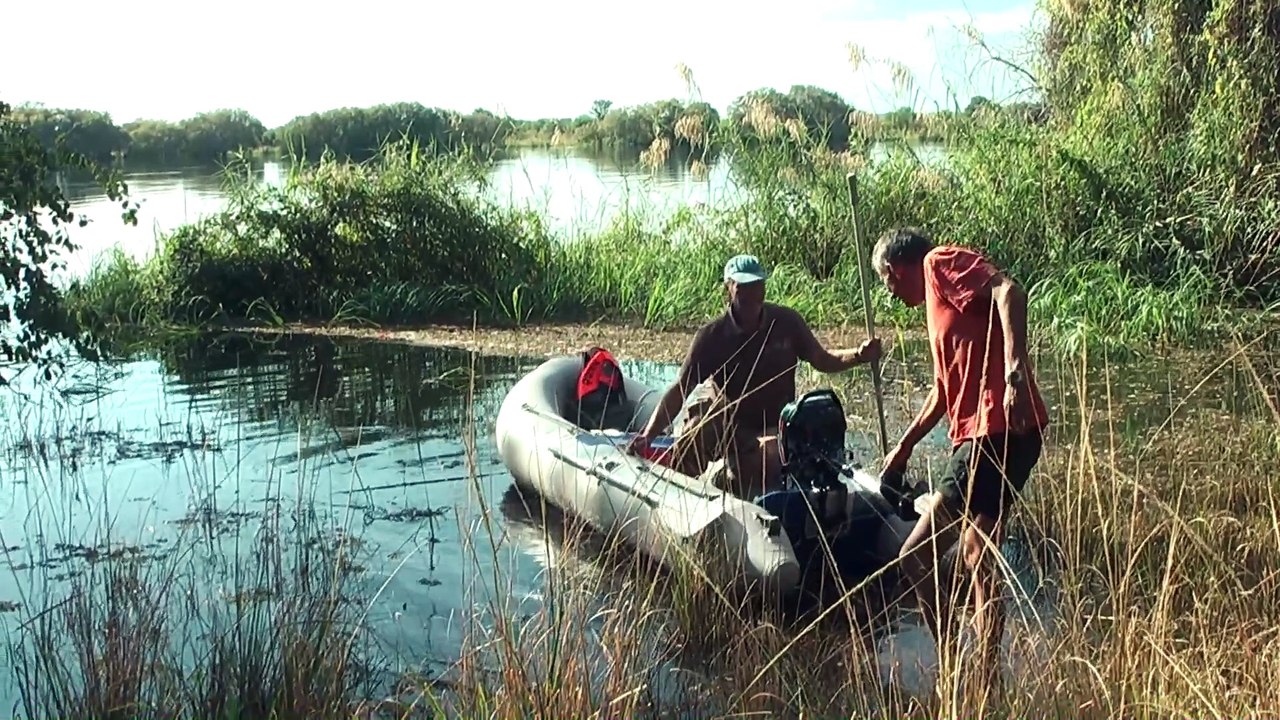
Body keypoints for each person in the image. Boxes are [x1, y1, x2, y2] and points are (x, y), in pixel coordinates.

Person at [871, 227, 1049, 702]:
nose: (891, 295)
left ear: (894, 270)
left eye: (887, 284)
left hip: (995, 428)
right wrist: (905, 446)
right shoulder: (935, 307)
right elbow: (942, 393)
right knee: (977, 552)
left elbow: (1009, 290)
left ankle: (955, 663)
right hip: (1006, 435)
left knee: (916, 555)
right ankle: (983, 679)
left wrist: (1014, 369)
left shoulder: (938, 264)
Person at [627, 253, 883, 499]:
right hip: (731, 424)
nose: (751, 294)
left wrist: (859, 355)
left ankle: (732, 483)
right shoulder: (712, 336)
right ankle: (679, 492)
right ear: (729, 288)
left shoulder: (786, 322)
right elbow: (681, 389)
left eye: (757, 285)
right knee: (699, 425)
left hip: (776, 426)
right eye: (743, 286)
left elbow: (823, 359)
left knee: (772, 453)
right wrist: (648, 435)